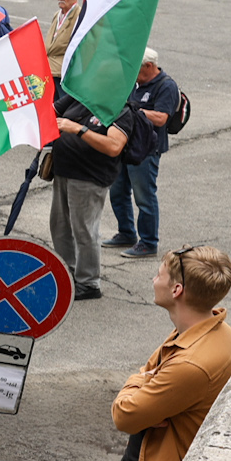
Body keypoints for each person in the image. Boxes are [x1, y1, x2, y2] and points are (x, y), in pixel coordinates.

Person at [111, 246, 231, 461]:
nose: (154, 279)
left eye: (159, 275)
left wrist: (138, 383)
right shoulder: (212, 330)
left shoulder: (191, 363)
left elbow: (125, 414)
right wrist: (150, 384)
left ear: (176, 290)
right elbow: (152, 373)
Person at [47, 84, 134, 303]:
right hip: (63, 171)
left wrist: (78, 129)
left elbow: (114, 146)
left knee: (84, 230)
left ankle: (88, 282)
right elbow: (50, 112)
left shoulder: (119, 110)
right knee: (59, 226)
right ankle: (67, 273)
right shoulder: (79, 98)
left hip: (89, 177)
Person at [104, 49, 181, 259]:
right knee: (118, 192)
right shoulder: (134, 81)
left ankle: (148, 242)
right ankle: (126, 232)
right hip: (125, 145)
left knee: (144, 197)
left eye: (136, 68)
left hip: (147, 149)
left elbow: (161, 118)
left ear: (148, 66)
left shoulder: (166, 86)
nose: (132, 73)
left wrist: (133, 109)